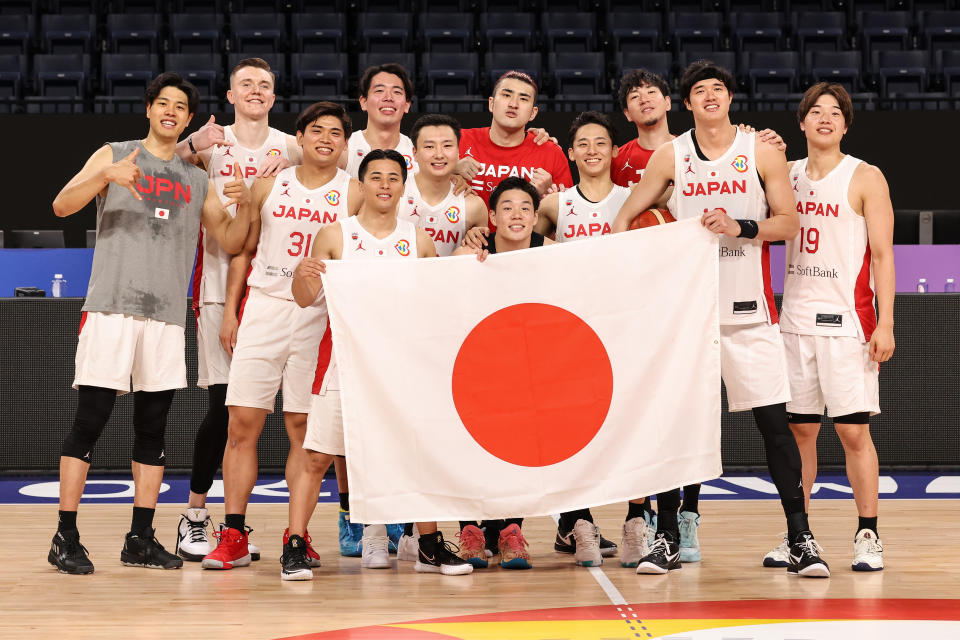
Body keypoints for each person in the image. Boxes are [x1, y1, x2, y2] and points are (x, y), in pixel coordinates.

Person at [613, 59, 829, 578]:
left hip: (750, 312)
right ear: (684, 104)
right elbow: (624, 219)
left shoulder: (761, 151)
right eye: (699, 91)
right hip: (688, 314)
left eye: (718, 88)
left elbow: (789, 224)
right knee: (675, 427)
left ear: (730, 98)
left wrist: (739, 225)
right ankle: (665, 537)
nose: (710, 96)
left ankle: (801, 537)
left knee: (775, 428)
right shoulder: (671, 155)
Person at [47, 72, 253, 574]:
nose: (171, 111)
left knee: (153, 430)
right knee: (89, 422)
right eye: (163, 103)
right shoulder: (114, 153)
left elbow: (228, 239)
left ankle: (139, 537)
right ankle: (64, 536)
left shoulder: (197, 177)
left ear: (186, 118)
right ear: (148, 110)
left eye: (180, 107)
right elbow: (61, 205)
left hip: (164, 316)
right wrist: (104, 178)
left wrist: (247, 201)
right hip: (111, 307)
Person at [284, 149, 473, 580]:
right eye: (376, 177)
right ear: (362, 184)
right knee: (316, 458)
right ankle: (295, 544)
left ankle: (428, 544)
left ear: (403, 186)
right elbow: (304, 298)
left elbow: (438, 303)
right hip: (343, 363)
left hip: (400, 367)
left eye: (393, 178)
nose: (385, 185)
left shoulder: (418, 240)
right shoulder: (336, 234)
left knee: (415, 456)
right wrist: (302, 272)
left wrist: (468, 261)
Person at [200, 101, 361, 570]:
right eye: (317, 130)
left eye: (335, 132)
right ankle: (232, 533)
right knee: (241, 426)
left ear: (344, 144)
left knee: (303, 432)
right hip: (264, 308)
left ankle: (298, 534)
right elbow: (242, 251)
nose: (326, 138)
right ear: (299, 137)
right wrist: (230, 312)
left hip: (318, 315)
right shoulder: (269, 184)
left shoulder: (352, 193)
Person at [171, 57, 301, 562]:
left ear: (273, 97)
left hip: (276, 291)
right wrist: (190, 148)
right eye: (245, 84)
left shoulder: (290, 146)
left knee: (280, 416)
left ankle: (246, 528)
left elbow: (347, 168)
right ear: (229, 95)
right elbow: (159, 162)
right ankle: (196, 516)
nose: (254, 91)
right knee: (223, 408)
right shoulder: (210, 141)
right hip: (218, 289)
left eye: (264, 85)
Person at [769, 82, 895, 572]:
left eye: (835, 112)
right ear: (800, 123)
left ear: (845, 124)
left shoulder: (865, 176)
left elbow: (883, 255)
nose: (825, 118)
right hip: (794, 323)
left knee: (853, 433)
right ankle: (797, 533)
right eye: (815, 111)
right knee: (799, 432)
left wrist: (886, 323)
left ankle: (868, 533)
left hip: (848, 325)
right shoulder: (785, 175)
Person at [450, 177, 555, 570]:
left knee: (519, 451)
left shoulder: (552, 253)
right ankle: (470, 531)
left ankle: (512, 529)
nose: (516, 214)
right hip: (478, 365)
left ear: (535, 216)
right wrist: (464, 266)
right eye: (507, 207)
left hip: (528, 368)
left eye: (525, 207)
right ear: (492, 216)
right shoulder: (472, 251)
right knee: (470, 448)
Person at [457, 71, 573, 213]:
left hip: (527, 235)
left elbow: (567, 216)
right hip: (465, 235)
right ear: (491, 104)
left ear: (533, 113)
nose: (513, 104)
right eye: (506, 95)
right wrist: (450, 169)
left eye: (523, 99)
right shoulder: (458, 141)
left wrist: (546, 197)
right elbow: (422, 178)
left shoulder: (551, 152)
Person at [396, 114, 488, 256]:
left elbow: (479, 259)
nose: (439, 154)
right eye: (429, 146)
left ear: (458, 152)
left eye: (447, 146)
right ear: (414, 153)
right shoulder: (394, 195)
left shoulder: (474, 205)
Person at [341, 63, 418, 179]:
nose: (388, 97)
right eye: (379, 90)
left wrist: (456, 168)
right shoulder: (345, 147)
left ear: (407, 105)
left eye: (397, 92)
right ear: (363, 102)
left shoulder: (418, 155)